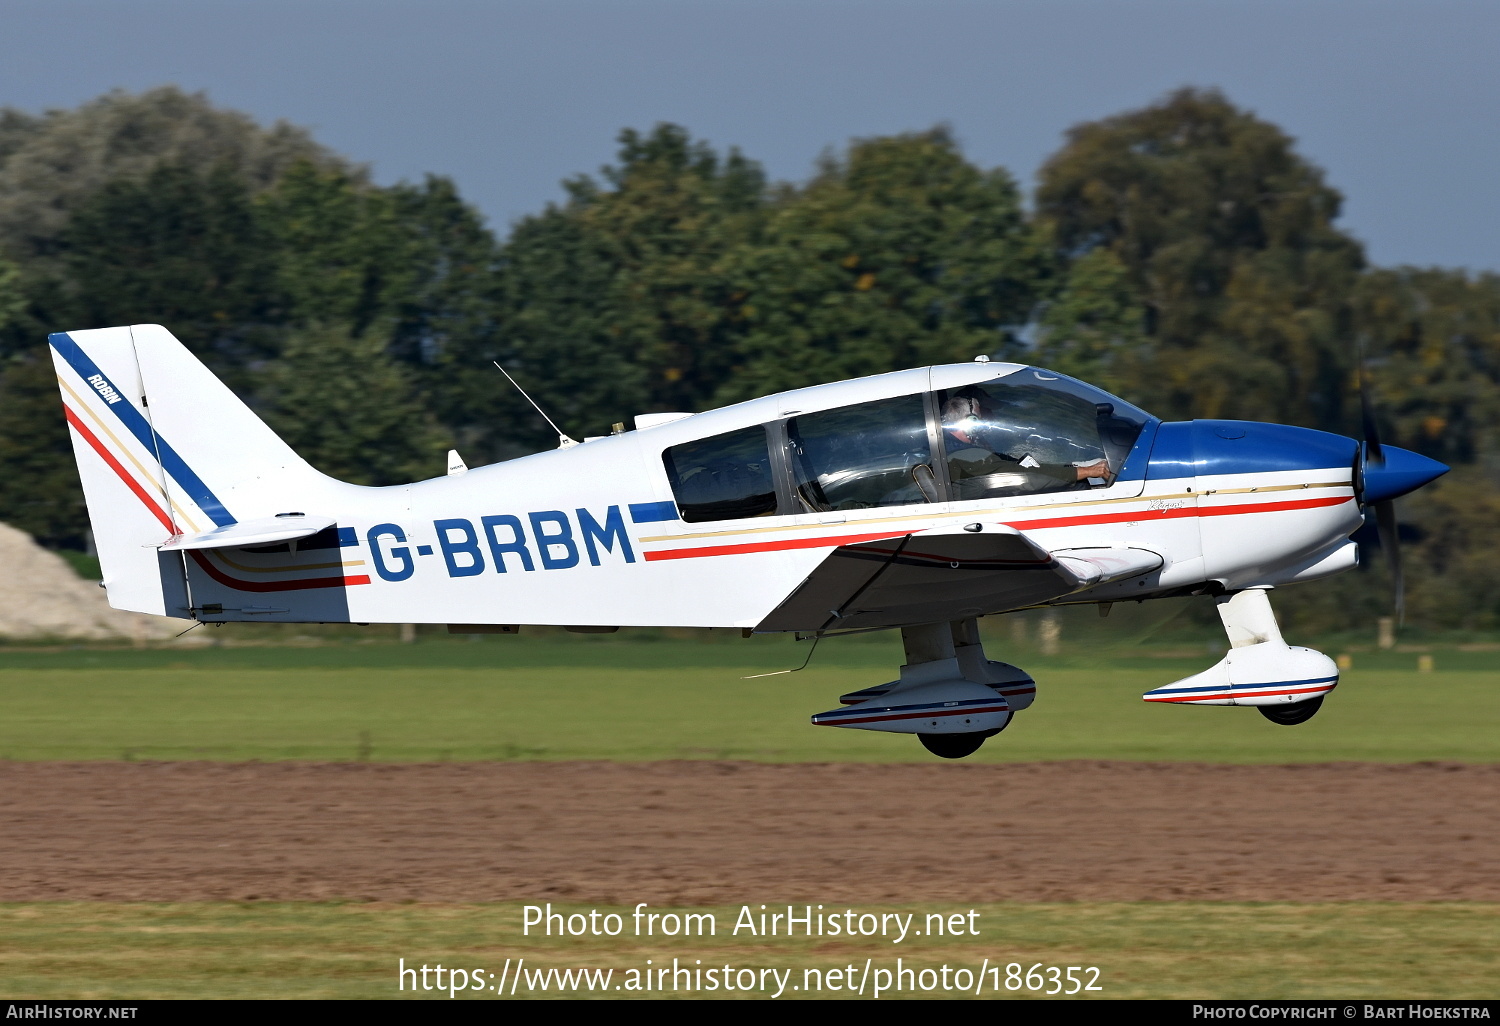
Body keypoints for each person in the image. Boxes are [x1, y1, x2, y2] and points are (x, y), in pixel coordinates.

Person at [942, 389, 1109, 497]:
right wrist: (1086, 471)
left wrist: (1076, 468)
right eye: (981, 417)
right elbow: (1024, 476)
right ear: (969, 422)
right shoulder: (964, 455)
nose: (990, 419)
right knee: (1079, 488)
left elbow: (1015, 466)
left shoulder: (963, 450)